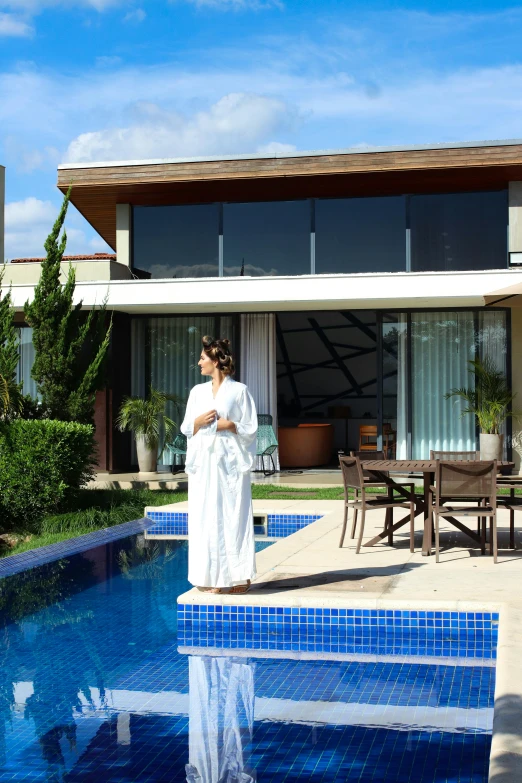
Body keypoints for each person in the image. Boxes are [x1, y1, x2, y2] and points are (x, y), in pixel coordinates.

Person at [181, 336, 258, 594]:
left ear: (215, 361)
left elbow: (251, 428)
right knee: (206, 517)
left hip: (229, 464)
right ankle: (212, 577)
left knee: (233, 515)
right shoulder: (197, 392)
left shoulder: (239, 391)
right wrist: (199, 422)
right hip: (204, 464)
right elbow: (185, 428)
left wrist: (231, 425)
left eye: (202, 358)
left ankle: (239, 577)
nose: (198, 362)